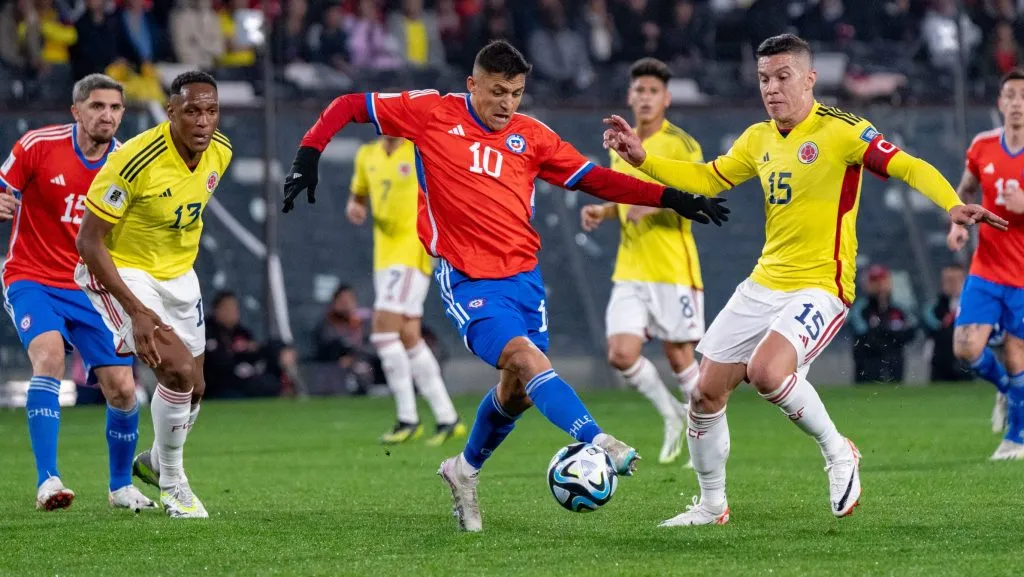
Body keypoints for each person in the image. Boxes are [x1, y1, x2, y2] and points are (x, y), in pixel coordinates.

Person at [282, 39, 729, 532]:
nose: (506, 103)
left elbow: (597, 180)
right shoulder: (430, 112)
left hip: (524, 280)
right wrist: (308, 154)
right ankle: (598, 441)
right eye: (497, 92)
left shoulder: (531, 136)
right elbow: (349, 105)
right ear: (472, 84)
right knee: (524, 358)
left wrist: (673, 197)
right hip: (469, 277)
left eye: (516, 93)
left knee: (516, 393)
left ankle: (463, 471)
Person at [603, 33, 1006, 526]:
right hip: (763, 282)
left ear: (810, 79)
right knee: (705, 393)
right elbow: (708, 178)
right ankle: (712, 505)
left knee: (769, 373)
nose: (771, 88)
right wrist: (643, 161)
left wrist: (950, 203)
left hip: (822, 285)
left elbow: (907, 165)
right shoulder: (758, 138)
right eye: (764, 79)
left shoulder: (843, 131)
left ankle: (840, 453)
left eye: (782, 77)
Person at [75, 71, 232, 518]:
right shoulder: (134, 161)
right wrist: (138, 311)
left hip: (180, 276)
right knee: (178, 374)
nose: (204, 121)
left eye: (211, 110)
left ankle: (155, 461)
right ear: (171, 112)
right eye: (192, 111)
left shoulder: (221, 152)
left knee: (196, 388)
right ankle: (173, 484)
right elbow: (88, 242)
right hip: (125, 272)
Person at [0, 73, 155, 512]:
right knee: (49, 356)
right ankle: (48, 480)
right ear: (77, 110)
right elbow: (2, 188)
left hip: (92, 288)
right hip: (31, 276)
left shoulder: (128, 163)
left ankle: (121, 486)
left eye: (115, 108)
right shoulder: (37, 145)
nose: (107, 115)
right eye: (97, 106)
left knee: (123, 390)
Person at [579, 57, 703, 465]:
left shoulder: (682, 145)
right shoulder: (621, 143)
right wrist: (604, 210)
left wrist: (651, 209)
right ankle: (672, 415)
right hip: (631, 268)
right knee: (620, 353)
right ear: (630, 97)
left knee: (679, 356)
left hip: (671, 266)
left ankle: (706, 432)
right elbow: (623, 198)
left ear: (666, 98)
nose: (646, 97)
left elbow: (698, 202)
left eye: (653, 91)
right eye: (640, 90)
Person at [347, 134, 466, 446]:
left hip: (412, 250)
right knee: (409, 337)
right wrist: (355, 206)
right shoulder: (367, 154)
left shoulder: (420, 150)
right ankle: (447, 417)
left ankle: (407, 418)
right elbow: (358, 193)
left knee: (383, 332)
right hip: (384, 255)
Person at [948, 69, 1024, 461]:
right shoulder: (983, 146)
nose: (1017, 104)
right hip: (987, 268)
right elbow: (965, 192)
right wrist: (959, 225)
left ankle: (1016, 439)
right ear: (1000, 102)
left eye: (1023, 97)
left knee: (1017, 357)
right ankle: (1005, 389)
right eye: (1010, 95)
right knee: (965, 348)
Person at [204, 291, 301, 399]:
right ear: (216, 310)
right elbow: (217, 363)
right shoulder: (207, 332)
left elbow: (256, 351)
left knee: (267, 381)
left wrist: (280, 349)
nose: (233, 312)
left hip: (245, 380)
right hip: (219, 386)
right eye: (227, 308)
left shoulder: (241, 332)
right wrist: (237, 353)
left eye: (234, 308)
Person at [850, 265, 917, 383]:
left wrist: (883, 332)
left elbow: (911, 332)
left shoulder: (899, 309)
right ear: (867, 285)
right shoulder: (860, 309)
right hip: (867, 367)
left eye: (883, 280)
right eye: (875, 281)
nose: (880, 285)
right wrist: (891, 334)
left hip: (894, 365)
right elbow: (864, 335)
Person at [922, 264, 972, 382]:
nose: (952, 284)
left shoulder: (972, 306)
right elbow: (931, 329)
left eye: (956, 280)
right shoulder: (933, 308)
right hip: (941, 362)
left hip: (966, 361)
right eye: (948, 280)